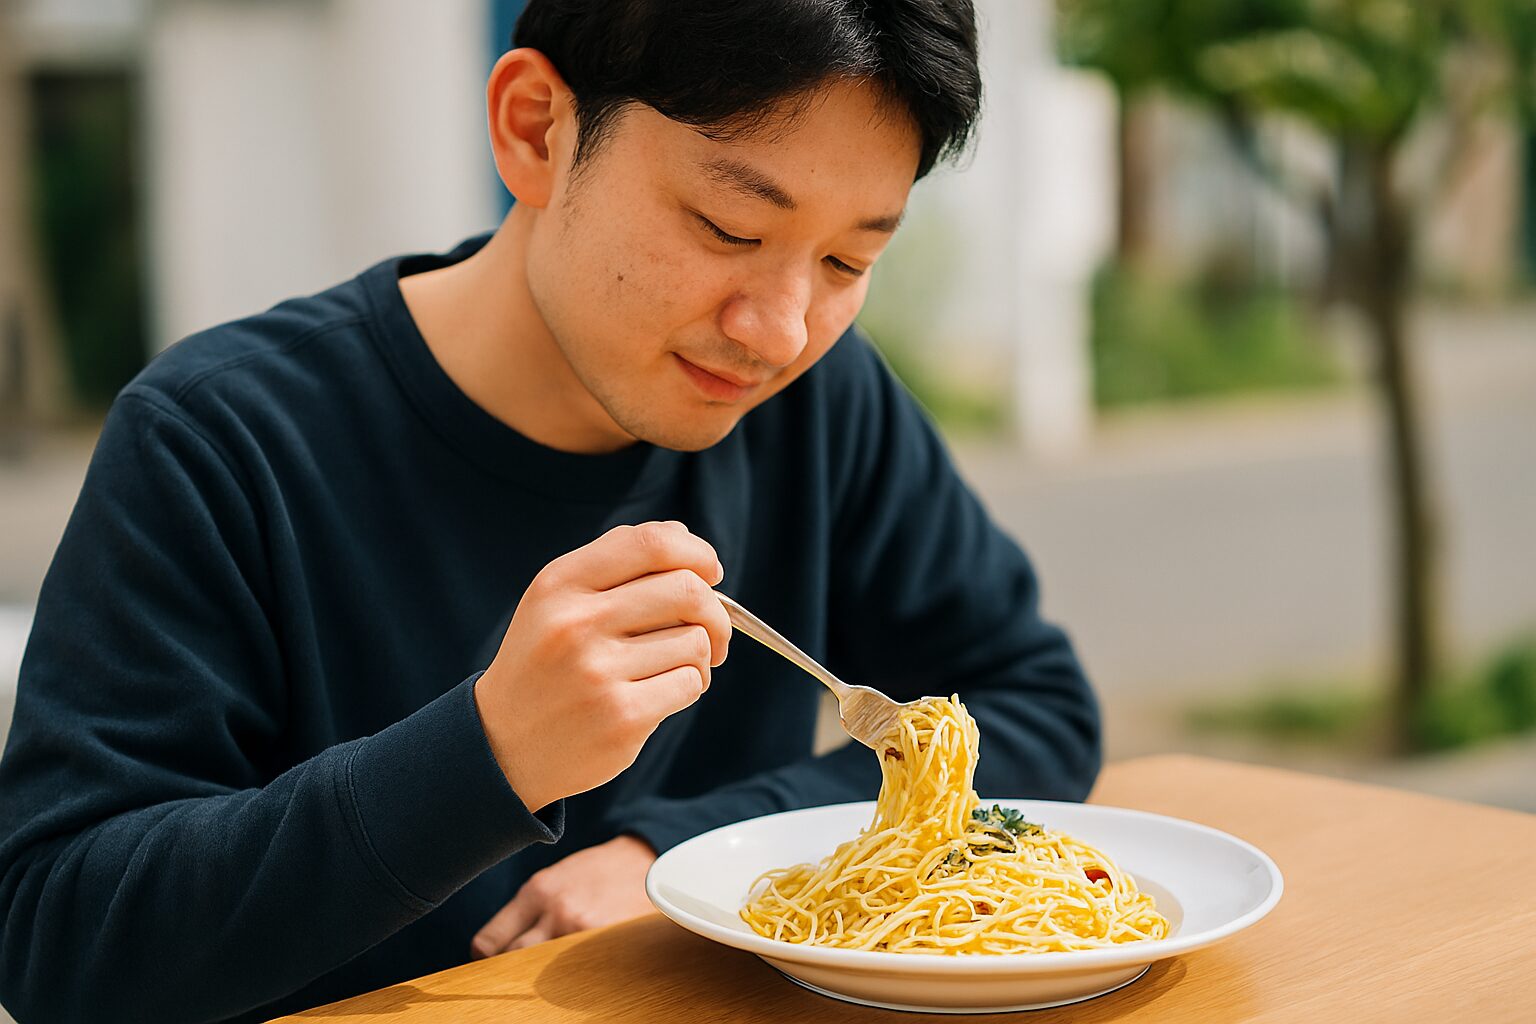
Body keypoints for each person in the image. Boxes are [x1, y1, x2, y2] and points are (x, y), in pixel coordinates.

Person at [0, 2, 1100, 1021]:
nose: (779, 329)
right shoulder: (222, 439)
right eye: (729, 227)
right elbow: (59, 940)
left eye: (850, 258)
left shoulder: (821, 402)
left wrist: (679, 853)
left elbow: (1034, 707)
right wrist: (488, 753)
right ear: (535, 129)